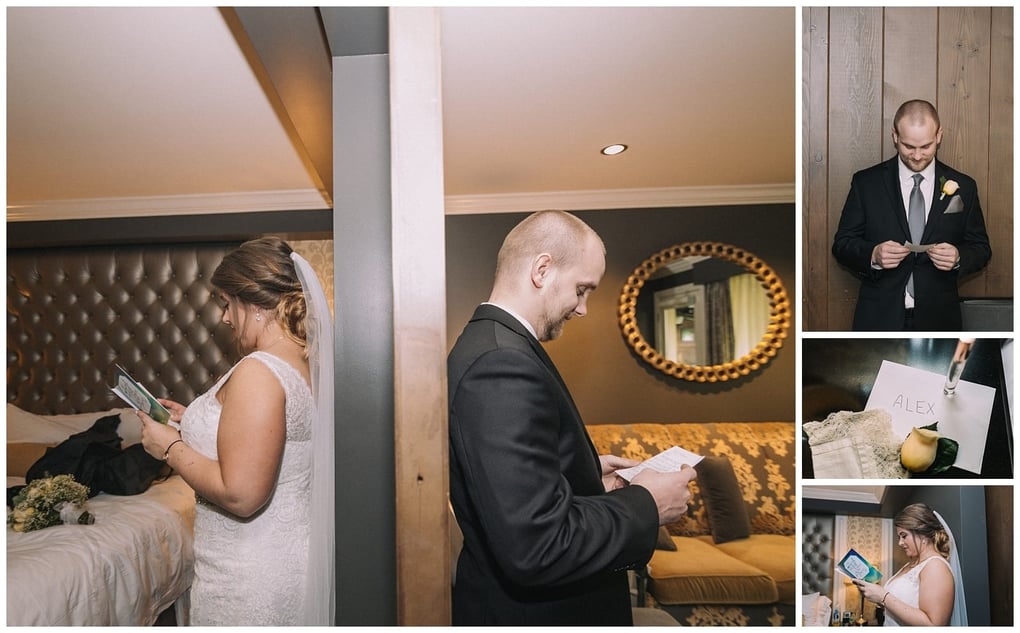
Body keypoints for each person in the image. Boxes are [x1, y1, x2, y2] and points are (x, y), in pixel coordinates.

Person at [447, 210, 698, 625]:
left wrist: (584, 474)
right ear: (542, 269)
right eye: (582, 289)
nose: (583, 308)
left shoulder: (496, 344)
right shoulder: (501, 363)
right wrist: (647, 503)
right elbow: (537, 545)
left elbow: (506, 489)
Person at [138, 237, 334, 626]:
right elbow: (267, 440)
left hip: (249, 576)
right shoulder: (304, 364)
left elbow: (242, 494)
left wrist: (170, 447)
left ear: (255, 304)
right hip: (283, 559)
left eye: (227, 303)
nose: (225, 317)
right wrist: (191, 423)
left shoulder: (258, 371)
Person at [832, 99, 991, 331]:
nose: (917, 156)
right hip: (878, 318)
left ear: (939, 136)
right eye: (908, 146)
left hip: (940, 319)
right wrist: (873, 254)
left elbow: (981, 248)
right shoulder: (866, 183)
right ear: (895, 136)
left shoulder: (965, 186)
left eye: (926, 146)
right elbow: (842, 244)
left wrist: (959, 257)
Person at [853, 503, 967, 626]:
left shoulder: (935, 567)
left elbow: (933, 625)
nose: (900, 543)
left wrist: (883, 596)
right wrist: (874, 594)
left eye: (904, 536)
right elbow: (903, 604)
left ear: (922, 534)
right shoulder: (910, 564)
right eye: (899, 537)